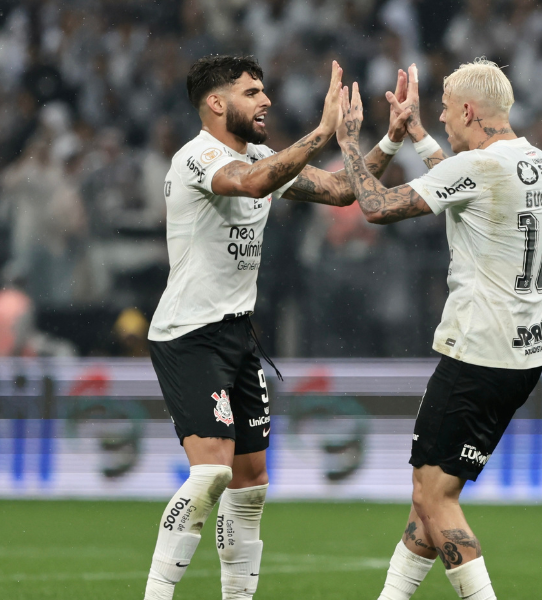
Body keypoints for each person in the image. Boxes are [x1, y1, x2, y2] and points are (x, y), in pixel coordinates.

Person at [143, 55, 409, 600]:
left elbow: (340, 192)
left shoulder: (263, 154)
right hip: (189, 334)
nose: (265, 101)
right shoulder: (196, 158)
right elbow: (255, 182)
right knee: (211, 474)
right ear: (217, 103)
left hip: (239, 336)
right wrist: (321, 130)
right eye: (252, 92)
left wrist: (388, 141)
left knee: (251, 484)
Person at [335, 59, 542, 600]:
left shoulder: (479, 170)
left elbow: (375, 206)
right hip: (521, 353)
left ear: (468, 110)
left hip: (478, 350)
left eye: (443, 108)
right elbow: (462, 179)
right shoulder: (534, 161)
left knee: (435, 500)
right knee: (428, 498)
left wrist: (347, 141)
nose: (439, 116)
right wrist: (416, 134)